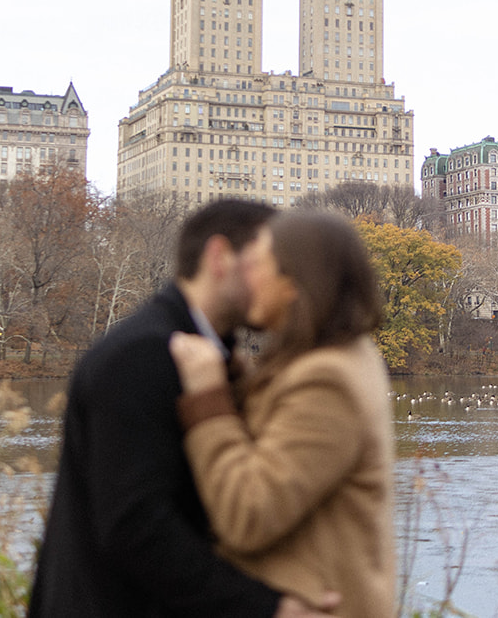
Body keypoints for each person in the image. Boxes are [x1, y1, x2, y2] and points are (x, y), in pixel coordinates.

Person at [28, 199, 336, 618]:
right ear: (219, 257)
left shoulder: (212, 355)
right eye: (271, 262)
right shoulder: (141, 354)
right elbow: (135, 527)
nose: (285, 281)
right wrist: (272, 610)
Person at [169, 210, 395, 618]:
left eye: (258, 265)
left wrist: (209, 399)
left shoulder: (328, 381)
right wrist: (241, 378)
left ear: (294, 282)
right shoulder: (338, 357)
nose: (246, 277)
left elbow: (249, 513)